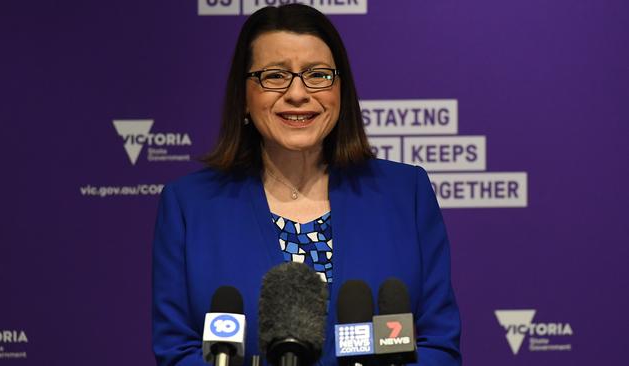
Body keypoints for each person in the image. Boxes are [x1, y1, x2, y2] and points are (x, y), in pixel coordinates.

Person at [152, 4, 461, 365]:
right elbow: (178, 351)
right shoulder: (189, 205)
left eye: (317, 75)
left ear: (340, 90)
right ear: (244, 97)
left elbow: (438, 344)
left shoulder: (405, 193)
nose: (298, 93)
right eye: (274, 75)